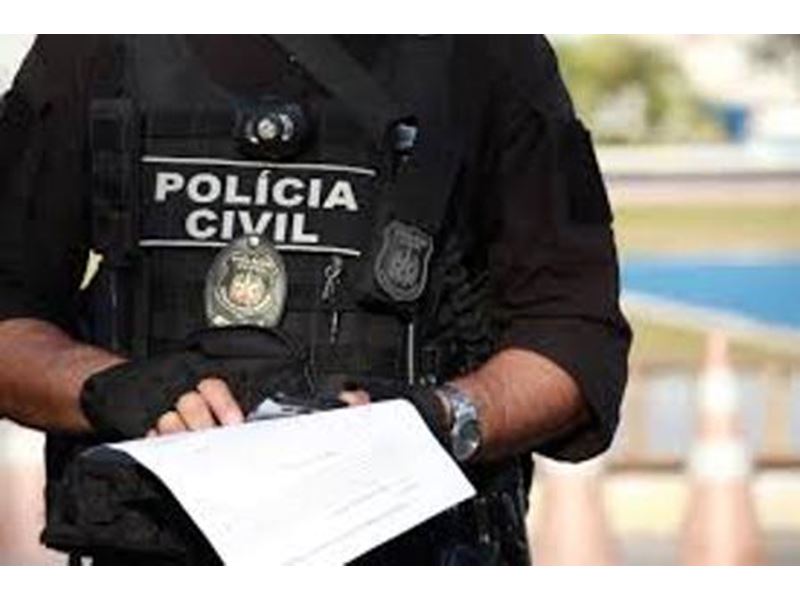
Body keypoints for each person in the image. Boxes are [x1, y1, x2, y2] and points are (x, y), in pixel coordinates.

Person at [0, 34, 631, 565]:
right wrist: (112, 389)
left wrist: (440, 420)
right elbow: (10, 319)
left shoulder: (490, 51)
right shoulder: (93, 43)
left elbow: (576, 339)